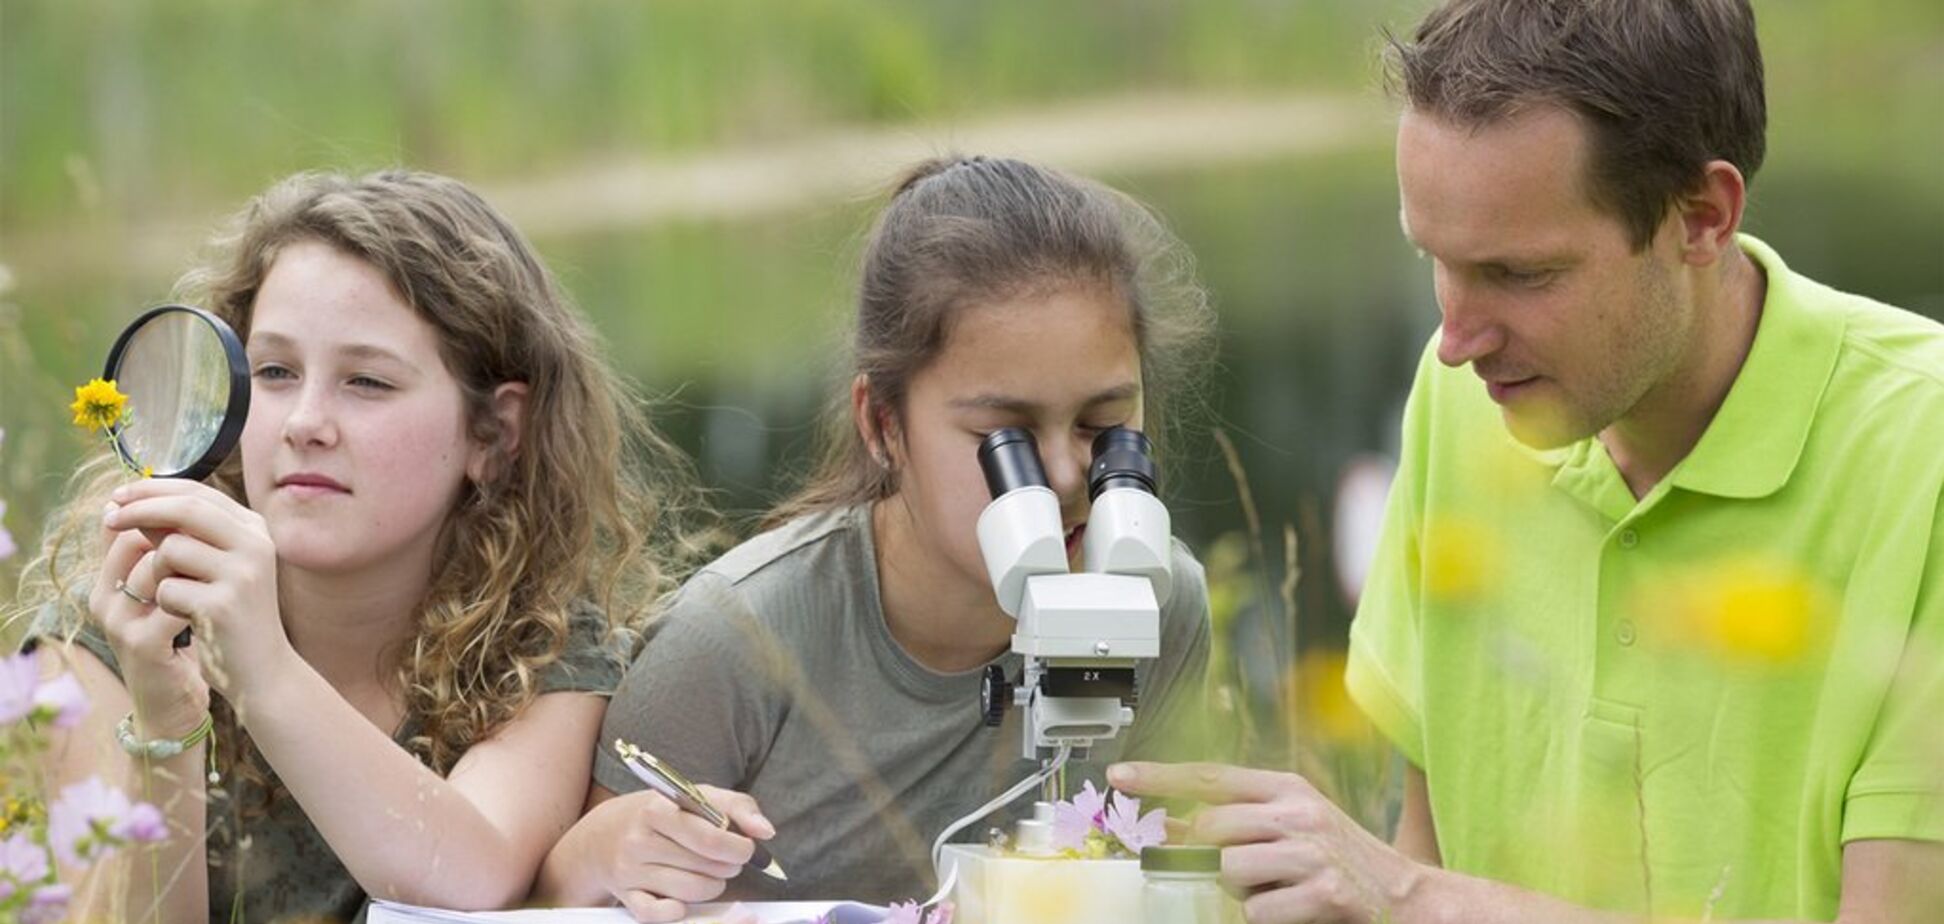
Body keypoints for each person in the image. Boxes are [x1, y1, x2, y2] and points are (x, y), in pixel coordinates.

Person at [1109, 1, 1944, 921]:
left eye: (1520, 275)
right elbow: (1421, 865)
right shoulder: (1463, 395)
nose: (1457, 338)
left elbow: (1418, 888)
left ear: (1702, 219)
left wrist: (1407, 891)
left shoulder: (1922, 452)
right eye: (1434, 257)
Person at [531, 155, 1220, 919]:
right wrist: (597, 861)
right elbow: (554, 906)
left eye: (1104, 426)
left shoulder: (1163, 606)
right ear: (882, 425)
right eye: (1007, 437)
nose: (1064, 474)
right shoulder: (735, 639)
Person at [16, 169, 701, 922]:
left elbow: (474, 880)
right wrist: (166, 720)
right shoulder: (109, 636)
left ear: (495, 433)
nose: (305, 421)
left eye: (367, 382)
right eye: (274, 372)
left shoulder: (540, 650)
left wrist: (262, 668)